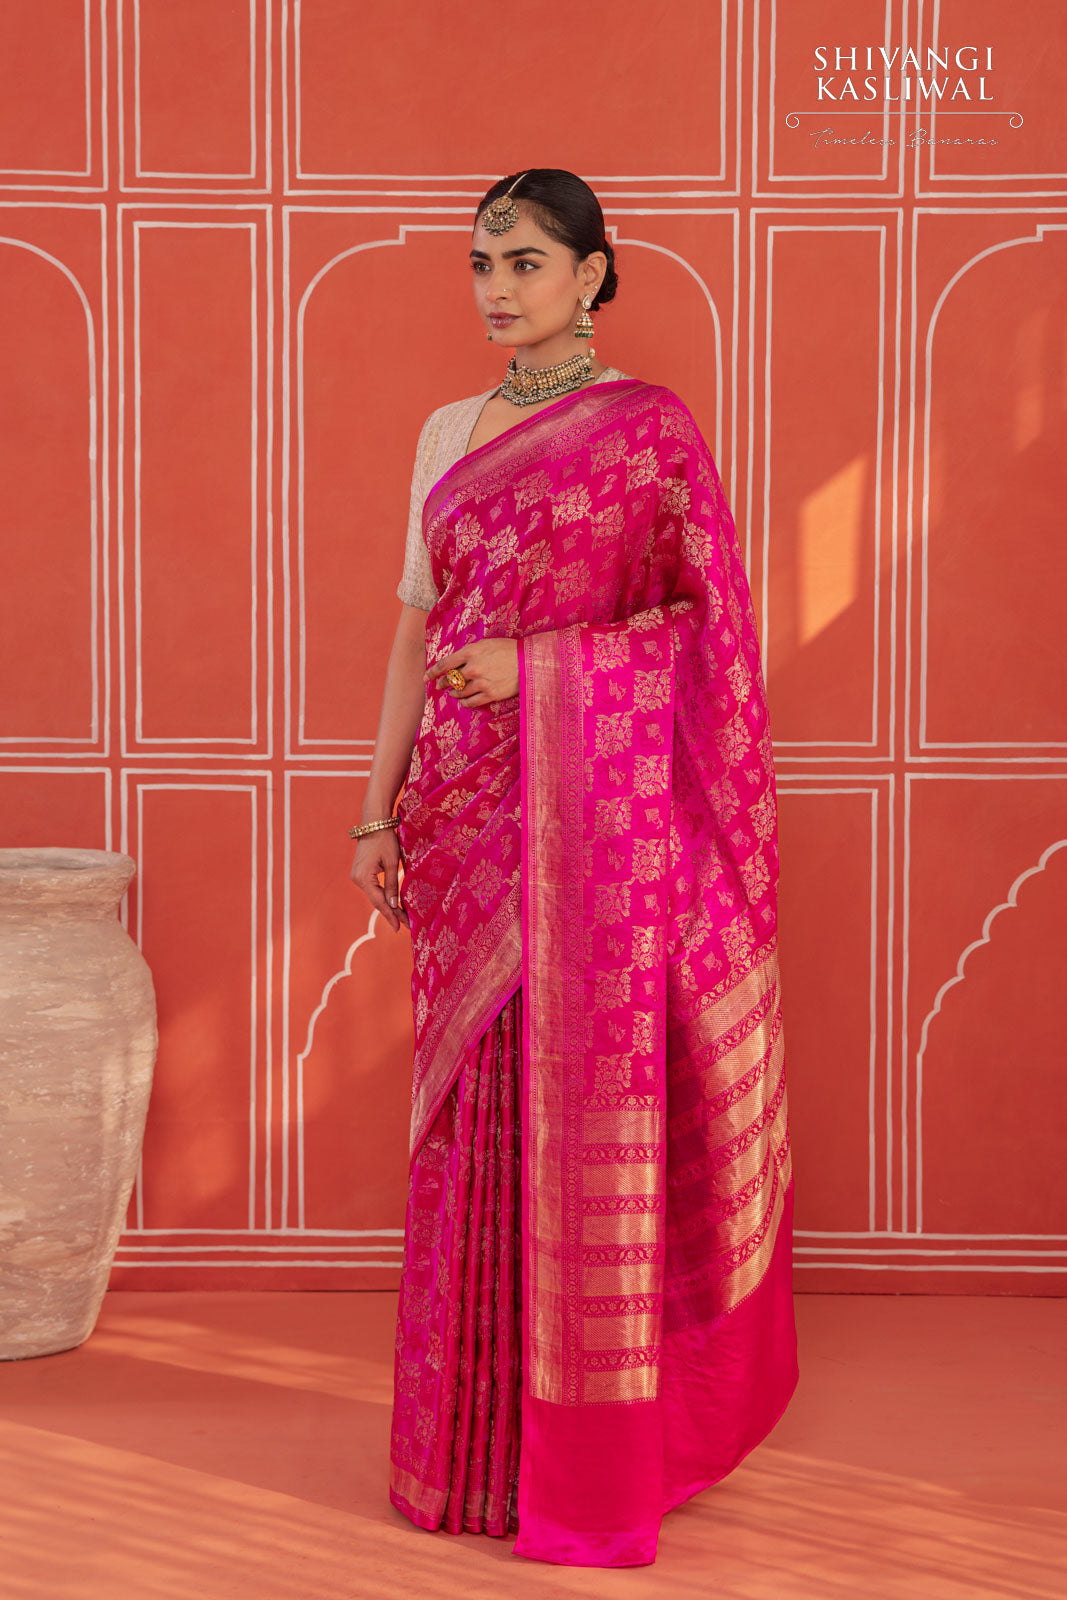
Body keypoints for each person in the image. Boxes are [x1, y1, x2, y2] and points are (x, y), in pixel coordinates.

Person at [350, 168, 799, 1569]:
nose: (497, 289)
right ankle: (469, 1466)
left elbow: (707, 634)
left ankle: (578, 1470)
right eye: (482, 264)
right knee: (475, 1125)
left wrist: (539, 667)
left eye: (527, 262)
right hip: (466, 822)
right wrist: (375, 812)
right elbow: (415, 637)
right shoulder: (446, 433)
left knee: (579, 1121)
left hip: (593, 833)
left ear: (592, 275)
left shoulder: (650, 432)